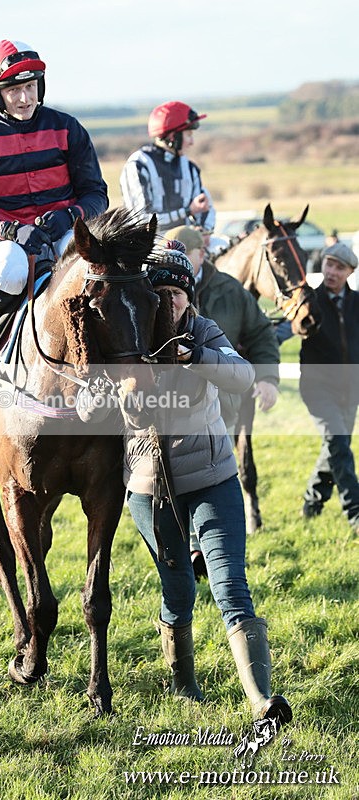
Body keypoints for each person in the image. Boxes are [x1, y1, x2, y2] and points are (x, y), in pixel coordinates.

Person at [123, 241, 292, 724]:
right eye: (159, 292)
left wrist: (196, 355)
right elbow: (103, 408)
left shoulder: (203, 331)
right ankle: (184, 689)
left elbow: (240, 376)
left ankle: (262, 701)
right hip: (149, 490)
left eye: (176, 292)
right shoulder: (128, 342)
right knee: (178, 592)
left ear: (189, 297)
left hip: (213, 479)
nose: (168, 300)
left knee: (230, 586)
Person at [0, 39, 108, 393]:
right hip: (11, 240)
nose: (25, 98)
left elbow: (97, 194)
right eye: (14, 90)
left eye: (30, 87)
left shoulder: (68, 128)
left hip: (66, 231)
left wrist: (70, 216)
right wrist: (9, 230)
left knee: (99, 272)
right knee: (9, 273)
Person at [167, 225, 280, 573]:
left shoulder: (230, 289)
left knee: (218, 468)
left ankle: (215, 543)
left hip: (226, 401)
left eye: (191, 251)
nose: (188, 258)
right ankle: (195, 547)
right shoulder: (157, 289)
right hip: (172, 408)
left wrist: (267, 378)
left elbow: (260, 332)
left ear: (203, 252)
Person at [278, 242, 359, 532]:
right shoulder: (308, 301)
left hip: (351, 391)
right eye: (329, 264)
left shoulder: (356, 302)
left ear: (350, 272)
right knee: (338, 443)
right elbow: (283, 330)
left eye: (340, 267)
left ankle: (312, 501)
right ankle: (356, 512)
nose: (332, 271)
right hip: (318, 390)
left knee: (335, 447)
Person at [120, 101, 215, 234]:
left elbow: (205, 208)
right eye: (188, 135)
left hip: (189, 243)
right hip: (152, 248)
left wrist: (204, 231)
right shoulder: (138, 165)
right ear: (172, 136)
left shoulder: (189, 167)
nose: (192, 142)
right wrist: (187, 211)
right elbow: (142, 221)